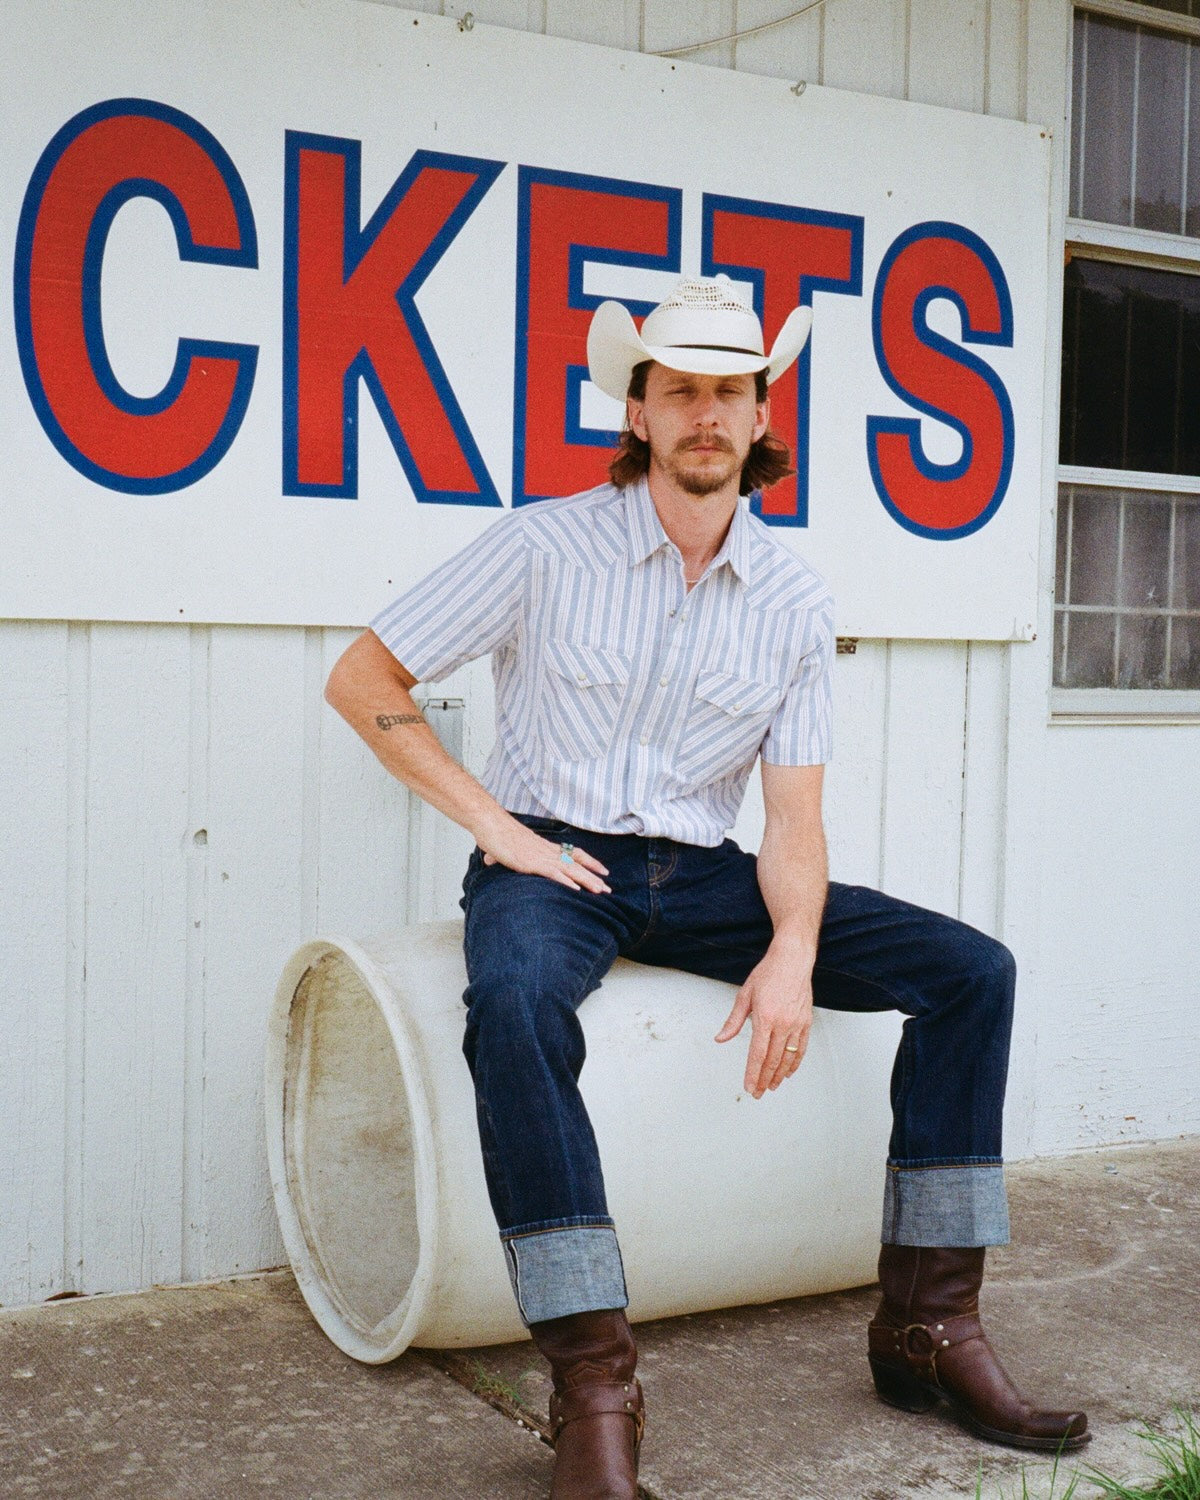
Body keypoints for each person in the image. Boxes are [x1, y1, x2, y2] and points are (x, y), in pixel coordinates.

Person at [325, 276, 1088, 1497]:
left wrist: (792, 948)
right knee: (513, 1007)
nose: (706, 413)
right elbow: (365, 678)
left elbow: (793, 818)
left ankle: (929, 1326)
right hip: (556, 863)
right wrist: (497, 829)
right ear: (637, 412)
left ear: (761, 413)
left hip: (704, 876)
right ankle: (594, 1383)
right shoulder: (543, 545)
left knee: (970, 973)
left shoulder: (792, 598)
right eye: (678, 389)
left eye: (730, 390)